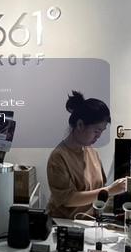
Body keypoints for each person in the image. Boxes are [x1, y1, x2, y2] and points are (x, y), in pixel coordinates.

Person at [46, 91, 126, 220]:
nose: (99, 136)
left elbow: (99, 188)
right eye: (96, 131)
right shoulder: (59, 157)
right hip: (64, 223)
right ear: (80, 125)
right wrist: (109, 190)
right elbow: (68, 199)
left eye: (102, 131)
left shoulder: (91, 152)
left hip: (88, 222)